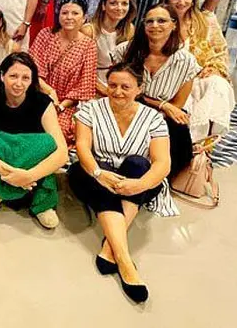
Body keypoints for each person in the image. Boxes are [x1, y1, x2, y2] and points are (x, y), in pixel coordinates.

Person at [68, 63, 177, 304]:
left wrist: (139, 185)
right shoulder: (90, 110)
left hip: (136, 179)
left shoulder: (154, 118)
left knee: (139, 163)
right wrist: (98, 173)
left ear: (139, 89)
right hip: (96, 174)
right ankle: (125, 259)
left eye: (125, 87)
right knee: (88, 174)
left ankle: (112, 250)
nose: (117, 91)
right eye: (113, 85)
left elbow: (162, 163)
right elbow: (83, 148)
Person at [0, 52, 68, 241]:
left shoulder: (43, 103)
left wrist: (28, 176)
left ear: (32, 81)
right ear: (2, 76)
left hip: (31, 172)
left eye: (25, 78)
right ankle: (40, 200)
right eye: (13, 76)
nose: (18, 83)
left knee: (48, 142)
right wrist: (11, 174)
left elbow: (62, 153)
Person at [113, 4, 201, 177]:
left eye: (162, 21)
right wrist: (162, 104)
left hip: (162, 116)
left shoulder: (186, 62)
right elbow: (117, 89)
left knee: (177, 129)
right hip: (127, 107)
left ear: (174, 24)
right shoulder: (126, 50)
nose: (155, 25)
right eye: (149, 21)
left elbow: (176, 106)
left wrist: (161, 109)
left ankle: (158, 178)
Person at [161, 0, 234, 141]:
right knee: (188, 93)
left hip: (201, 73)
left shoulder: (206, 20)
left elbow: (220, 51)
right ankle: (190, 141)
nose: (182, 2)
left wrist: (215, 67)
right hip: (172, 77)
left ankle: (206, 139)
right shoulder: (160, 21)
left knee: (217, 84)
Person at [29, 0, 98, 144]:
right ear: (58, 15)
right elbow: (31, 71)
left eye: (75, 13)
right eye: (65, 13)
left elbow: (84, 87)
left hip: (66, 105)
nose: (69, 17)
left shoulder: (88, 45)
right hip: (38, 95)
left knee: (58, 133)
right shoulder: (45, 35)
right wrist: (49, 92)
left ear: (84, 17)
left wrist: (60, 106)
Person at [81, 0, 137, 96]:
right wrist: (107, 92)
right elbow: (81, 71)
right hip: (91, 85)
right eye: (113, 3)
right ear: (103, 6)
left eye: (124, 4)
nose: (119, 8)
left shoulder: (129, 29)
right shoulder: (88, 30)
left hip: (119, 86)